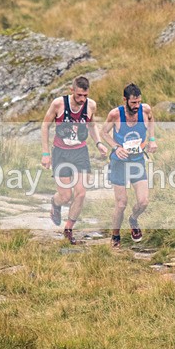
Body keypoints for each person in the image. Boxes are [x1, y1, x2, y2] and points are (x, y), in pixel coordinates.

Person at [41, 76, 107, 244]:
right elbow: (45, 125)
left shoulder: (91, 105)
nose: (82, 99)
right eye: (79, 95)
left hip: (80, 153)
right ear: (72, 91)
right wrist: (45, 153)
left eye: (85, 95)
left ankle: (68, 229)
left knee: (81, 193)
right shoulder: (59, 104)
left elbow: (91, 125)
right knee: (65, 196)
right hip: (61, 153)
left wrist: (99, 143)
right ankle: (55, 204)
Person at [101, 83, 157, 248]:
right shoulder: (115, 114)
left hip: (137, 161)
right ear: (125, 100)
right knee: (121, 203)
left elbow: (151, 120)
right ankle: (115, 235)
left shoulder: (145, 110)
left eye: (138, 102)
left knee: (144, 201)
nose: (136, 106)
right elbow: (103, 132)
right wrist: (116, 147)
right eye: (133, 103)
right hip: (119, 163)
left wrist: (152, 139)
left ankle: (133, 219)